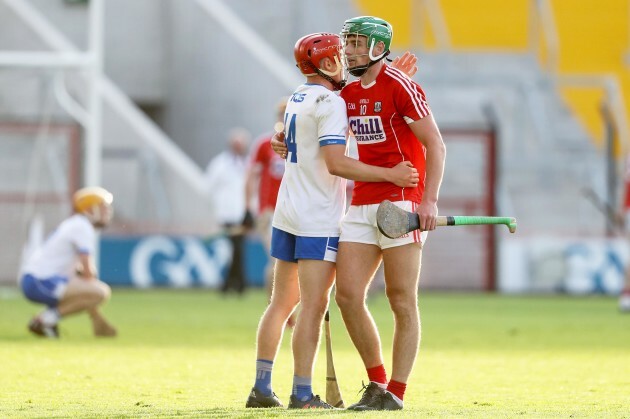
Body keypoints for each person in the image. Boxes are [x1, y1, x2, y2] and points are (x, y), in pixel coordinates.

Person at [245, 32, 419, 410]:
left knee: (280, 304)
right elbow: (337, 163)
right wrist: (390, 175)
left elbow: (291, 138)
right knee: (312, 305)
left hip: (287, 212)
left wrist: (388, 80)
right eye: (340, 55)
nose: (346, 59)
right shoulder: (331, 102)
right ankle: (303, 393)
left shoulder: (296, 97)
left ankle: (261, 387)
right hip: (317, 218)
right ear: (326, 64)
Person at [333, 16, 447, 411]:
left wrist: (428, 201)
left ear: (379, 47)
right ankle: (377, 383)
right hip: (362, 203)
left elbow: (436, 146)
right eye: (349, 43)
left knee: (401, 299)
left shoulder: (402, 86)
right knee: (346, 295)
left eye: (359, 44)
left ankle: (396, 392)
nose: (350, 51)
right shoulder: (346, 94)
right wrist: (283, 140)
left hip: (402, 202)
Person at [20, 186, 117, 338]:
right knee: (101, 292)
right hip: (40, 281)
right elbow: (88, 273)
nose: (108, 211)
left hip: (38, 280)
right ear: (90, 210)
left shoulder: (76, 224)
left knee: (94, 292)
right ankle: (45, 320)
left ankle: (47, 323)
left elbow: (80, 273)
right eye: (103, 207)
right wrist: (94, 308)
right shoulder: (82, 227)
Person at [244, 98, 288, 297]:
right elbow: (251, 176)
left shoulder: (303, 143)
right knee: (277, 259)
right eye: (281, 114)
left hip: (293, 208)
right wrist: (248, 207)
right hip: (270, 210)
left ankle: (283, 306)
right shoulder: (264, 144)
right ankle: (276, 306)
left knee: (290, 261)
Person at [205, 128, 250, 294]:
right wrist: (217, 209)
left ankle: (231, 284)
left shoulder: (247, 163)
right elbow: (209, 187)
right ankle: (238, 284)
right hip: (226, 214)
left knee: (237, 249)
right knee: (235, 249)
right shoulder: (220, 164)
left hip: (242, 214)